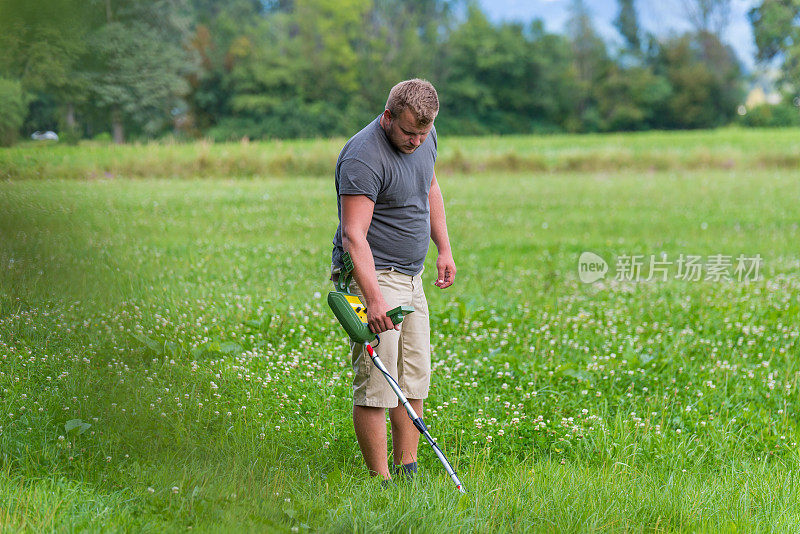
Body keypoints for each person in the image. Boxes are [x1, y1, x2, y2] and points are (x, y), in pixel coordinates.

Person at [330, 78, 455, 481]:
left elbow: (429, 185)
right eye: (408, 132)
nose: (416, 142)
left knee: (414, 376)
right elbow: (354, 234)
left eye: (422, 133)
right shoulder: (363, 158)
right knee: (378, 383)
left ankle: (408, 470)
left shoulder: (424, 134)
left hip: (412, 277)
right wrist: (375, 299)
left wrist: (444, 249)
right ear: (387, 117)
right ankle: (381, 482)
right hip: (375, 276)